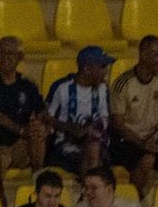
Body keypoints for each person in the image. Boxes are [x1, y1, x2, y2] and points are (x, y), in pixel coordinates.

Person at [0, 37, 48, 195]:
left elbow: (41, 112)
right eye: (2, 54)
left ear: (20, 57)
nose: (5, 58)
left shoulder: (29, 83)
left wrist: (39, 126)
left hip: (19, 146)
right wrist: (22, 130)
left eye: (11, 54)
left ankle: (38, 183)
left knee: (37, 133)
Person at [110, 35, 158, 195]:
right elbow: (118, 124)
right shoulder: (123, 83)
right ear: (143, 55)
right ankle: (138, 200)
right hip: (129, 139)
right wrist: (142, 143)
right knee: (146, 160)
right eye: (157, 55)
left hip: (154, 137)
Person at [46, 45, 113, 174]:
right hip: (66, 146)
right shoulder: (61, 87)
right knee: (92, 155)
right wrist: (72, 128)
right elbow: (47, 117)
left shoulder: (103, 89)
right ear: (87, 68)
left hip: (98, 144)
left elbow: (105, 117)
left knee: (94, 149)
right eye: (102, 66)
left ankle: (89, 187)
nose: (106, 71)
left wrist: (93, 128)